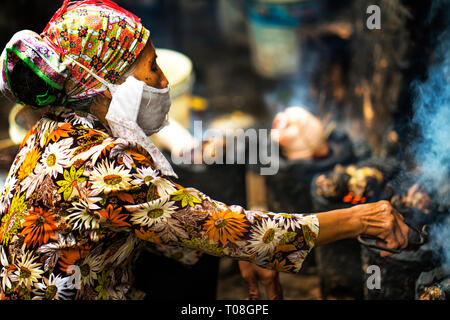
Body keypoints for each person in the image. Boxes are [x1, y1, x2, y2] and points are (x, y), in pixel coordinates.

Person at [0, 0, 409, 300]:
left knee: (199, 251)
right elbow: (219, 226)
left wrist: (236, 243)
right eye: (151, 69)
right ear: (106, 83)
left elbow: (175, 222)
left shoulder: (53, 129)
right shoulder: (102, 165)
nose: (162, 82)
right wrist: (362, 218)